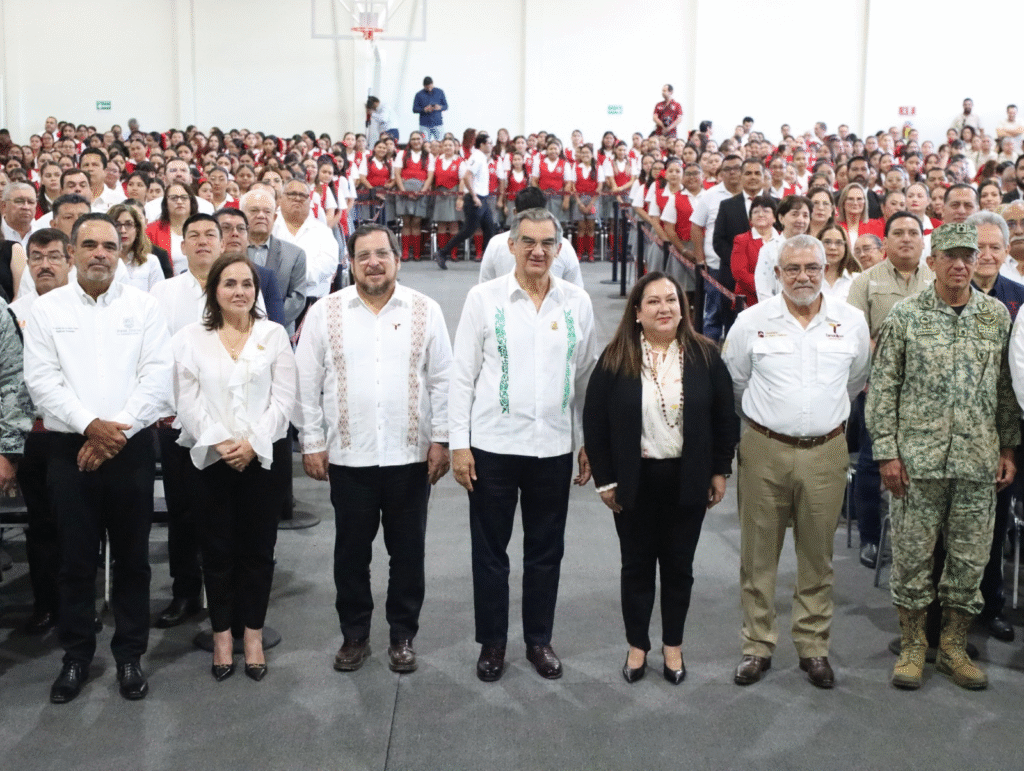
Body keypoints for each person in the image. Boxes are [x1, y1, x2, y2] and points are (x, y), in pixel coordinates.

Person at [24, 213, 174, 703]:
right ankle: (76, 656)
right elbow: (42, 381)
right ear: (72, 252)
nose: (100, 254)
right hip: (71, 450)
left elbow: (157, 376)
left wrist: (115, 430)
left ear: (120, 252)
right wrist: (91, 426)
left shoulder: (144, 307)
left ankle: (130, 655)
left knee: (132, 560)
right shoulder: (47, 310)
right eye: (89, 245)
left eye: (109, 246)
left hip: (130, 446)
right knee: (74, 560)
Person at [867, 222, 1018, 691]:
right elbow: (883, 387)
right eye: (950, 255)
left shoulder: (996, 316)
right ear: (931, 261)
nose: (960, 264)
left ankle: (953, 647)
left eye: (968, 256)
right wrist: (887, 453)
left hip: (977, 462)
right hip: (917, 464)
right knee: (912, 560)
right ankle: (914, 646)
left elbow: (1006, 389)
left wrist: (1008, 447)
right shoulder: (906, 316)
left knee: (969, 562)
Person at [295, 224, 452, 674]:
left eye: (382, 253)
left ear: (398, 260)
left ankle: (402, 635)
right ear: (351, 263)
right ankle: (354, 635)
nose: (373, 263)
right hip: (350, 457)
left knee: (408, 554)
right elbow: (305, 381)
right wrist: (312, 441)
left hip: (410, 457)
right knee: (351, 554)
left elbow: (443, 379)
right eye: (363, 255)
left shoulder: (425, 310)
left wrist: (442, 439)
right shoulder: (326, 313)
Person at [450, 208, 598, 682]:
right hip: (492, 445)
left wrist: (586, 441)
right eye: (528, 242)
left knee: (545, 551)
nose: (538, 251)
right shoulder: (483, 298)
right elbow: (461, 376)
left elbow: (585, 378)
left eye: (547, 243)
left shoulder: (576, 302)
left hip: (552, 447)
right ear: (511, 246)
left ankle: (539, 640)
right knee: (490, 552)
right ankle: (493, 643)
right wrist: (458, 445)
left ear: (560, 249)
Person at [722, 234, 870, 689]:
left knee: (818, 556)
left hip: (826, 451)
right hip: (764, 448)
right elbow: (735, 383)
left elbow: (855, 381)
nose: (803, 277)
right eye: (792, 269)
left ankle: (813, 646)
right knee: (758, 555)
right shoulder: (751, 322)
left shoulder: (851, 321)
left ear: (826, 269)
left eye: (811, 268)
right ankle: (756, 645)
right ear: (777, 274)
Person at [583, 272, 738, 684]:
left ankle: (673, 645)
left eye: (671, 299)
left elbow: (725, 418)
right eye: (653, 301)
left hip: (688, 479)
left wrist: (720, 470)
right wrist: (605, 480)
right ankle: (637, 645)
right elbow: (594, 422)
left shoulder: (705, 356)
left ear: (683, 308)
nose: (664, 308)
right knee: (635, 567)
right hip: (634, 481)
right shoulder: (616, 357)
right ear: (637, 312)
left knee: (678, 567)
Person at [172, 253, 296, 682]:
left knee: (258, 552)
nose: (239, 291)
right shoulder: (190, 338)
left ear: (256, 291)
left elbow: (284, 400)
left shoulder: (273, 335)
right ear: (214, 290)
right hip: (210, 460)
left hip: (262, 459)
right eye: (230, 283)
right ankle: (222, 636)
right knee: (217, 551)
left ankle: (253, 636)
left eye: (247, 284)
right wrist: (222, 442)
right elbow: (186, 401)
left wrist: (252, 443)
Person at [9, 229, 72, 633]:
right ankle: (46, 604)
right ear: (28, 263)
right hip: (34, 435)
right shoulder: (13, 313)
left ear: (69, 260)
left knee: (78, 525)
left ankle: (79, 607)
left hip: (76, 432)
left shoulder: (85, 307)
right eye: (37, 257)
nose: (45, 264)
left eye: (53, 256)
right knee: (41, 525)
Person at [966, 210, 1024, 642]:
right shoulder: (947, 292)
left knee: (997, 521)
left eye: (994, 247)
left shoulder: (1019, 298)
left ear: (1007, 252)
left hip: (1005, 428)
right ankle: (951, 611)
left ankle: (991, 605)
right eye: (978, 246)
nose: (986, 255)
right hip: (957, 426)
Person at [479, 187, 583, 287]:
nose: (537, 252)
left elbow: (484, 286)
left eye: (546, 243)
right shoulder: (563, 245)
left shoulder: (495, 243)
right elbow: (576, 289)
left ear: (515, 212)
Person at [241, 188, 307, 331]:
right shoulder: (228, 251)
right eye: (254, 210)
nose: (261, 216)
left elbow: (297, 298)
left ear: (275, 217)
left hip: (279, 331)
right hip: (236, 329)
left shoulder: (295, 254)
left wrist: (268, 323)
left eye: (267, 212)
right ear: (242, 216)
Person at [272, 179, 339, 314]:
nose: (297, 198)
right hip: (273, 300)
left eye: (303, 195)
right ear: (280, 199)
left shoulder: (323, 232)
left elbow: (328, 265)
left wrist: (290, 277)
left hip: (313, 305)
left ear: (310, 201)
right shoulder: (270, 228)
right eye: (291, 194)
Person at [436, 133, 498, 269]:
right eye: (489, 143)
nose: (491, 145)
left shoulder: (482, 157)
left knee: (490, 229)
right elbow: (466, 176)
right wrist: (474, 196)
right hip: (475, 198)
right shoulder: (477, 157)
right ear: (482, 144)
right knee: (468, 230)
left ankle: (489, 260)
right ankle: (442, 253)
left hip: (483, 198)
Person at [214, 207, 285, 326]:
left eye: (241, 228)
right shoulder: (201, 274)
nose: (235, 233)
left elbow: (276, 326)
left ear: (248, 236)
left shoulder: (265, 277)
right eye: (226, 228)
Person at [753, 194, 811, 302]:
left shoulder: (814, 248)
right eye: (794, 214)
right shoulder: (768, 250)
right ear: (781, 218)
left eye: (805, 216)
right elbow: (763, 290)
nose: (801, 220)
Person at [730, 194, 779, 306]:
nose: (761, 214)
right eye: (756, 212)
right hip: (750, 301)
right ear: (750, 219)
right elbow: (739, 273)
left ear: (775, 217)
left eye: (766, 211)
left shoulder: (783, 239)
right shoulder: (741, 240)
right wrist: (765, 289)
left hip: (780, 298)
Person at [108, 203, 164, 291]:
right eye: (117, 225)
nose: (123, 230)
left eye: (128, 225)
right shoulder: (103, 260)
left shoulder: (151, 262)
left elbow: (158, 295)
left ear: (137, 229)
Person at [412, 77, 448, 141]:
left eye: (430, 87)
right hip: (424, 125)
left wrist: (440, 107)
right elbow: (414, 109)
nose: (429, 89)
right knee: (425, 142)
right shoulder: (419, 94)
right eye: (427, 88)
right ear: (424, 86)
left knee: (440, 142)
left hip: (438, 123)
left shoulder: (440, 92)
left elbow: (446, 106)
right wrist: (424, 110)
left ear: (433, 84)